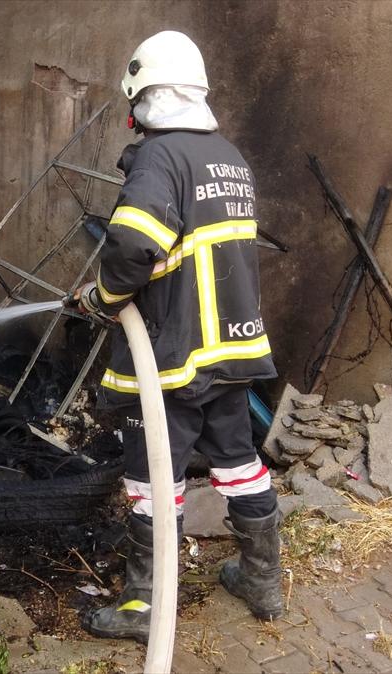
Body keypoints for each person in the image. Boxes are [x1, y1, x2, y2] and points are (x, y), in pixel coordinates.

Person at [73, 30, 283, 643]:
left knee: (151, 476)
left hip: (174, 357)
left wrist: (104, 298)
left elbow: (136, 243)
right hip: (230, 352)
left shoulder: (161, 158)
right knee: (239, 463)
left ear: (144, 97)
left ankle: (145, 607)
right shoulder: (228, 157)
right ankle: (262, 581)